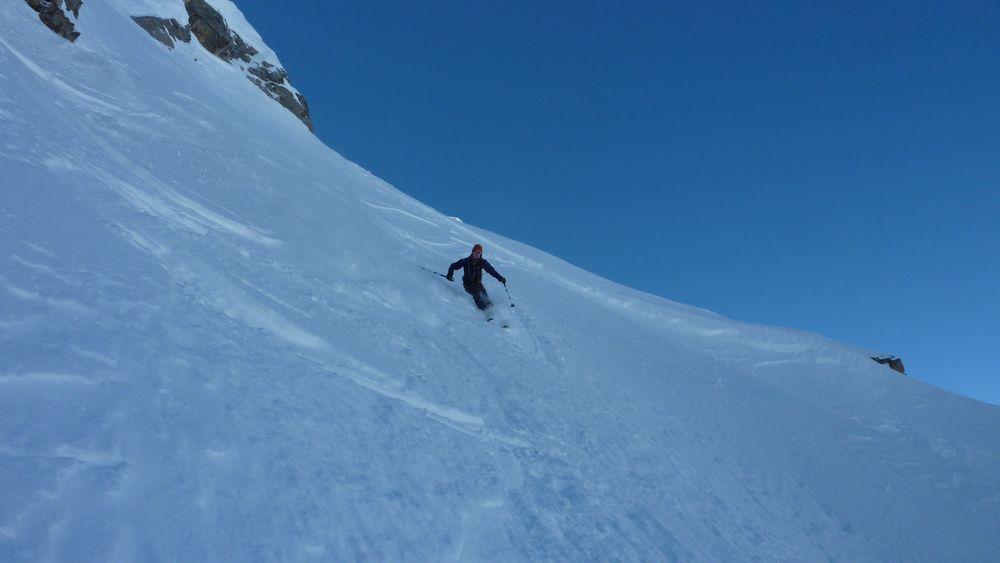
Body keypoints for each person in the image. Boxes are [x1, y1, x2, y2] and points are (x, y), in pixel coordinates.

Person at [446, 244, 506, 310]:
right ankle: (484, 310)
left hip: (478, 283)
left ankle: (492, 308)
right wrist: (450, 275)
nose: (477, 254)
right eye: (476, 252)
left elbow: (491, 271)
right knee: (477, 293)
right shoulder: (466, 261)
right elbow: (453, 266)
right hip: (467, 284)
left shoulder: (482, 262)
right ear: (472, 252)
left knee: (484, 294)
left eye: (479, 253)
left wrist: (500, 278)